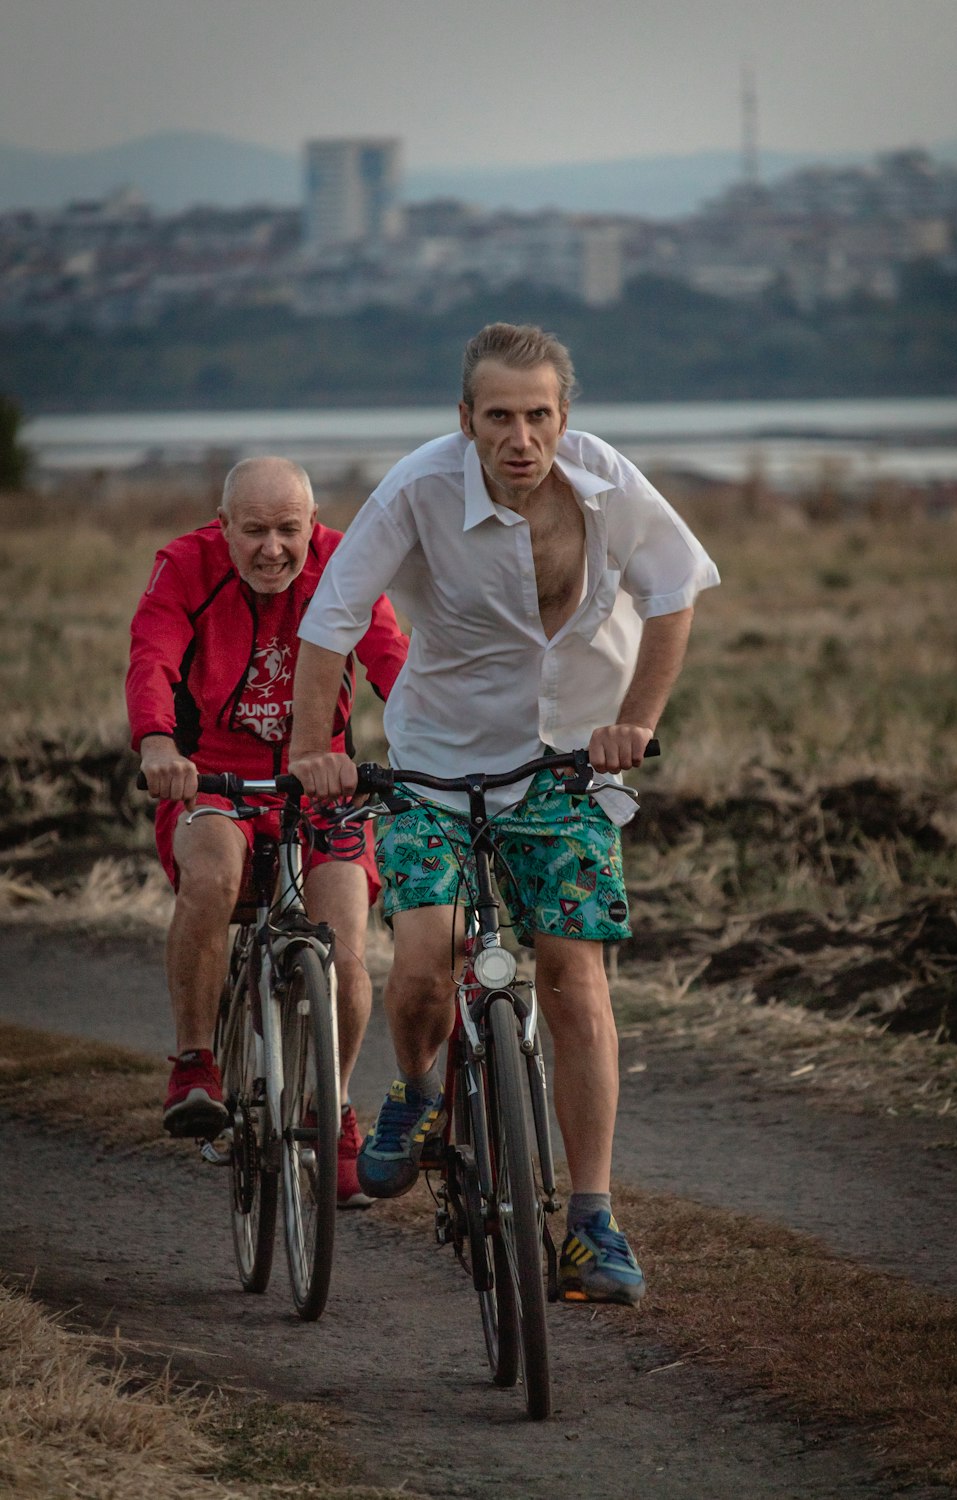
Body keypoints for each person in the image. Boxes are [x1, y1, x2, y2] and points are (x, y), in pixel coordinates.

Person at [289, 323, 720, 1302]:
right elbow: (333, 618)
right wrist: (316, 750)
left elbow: (675, 593)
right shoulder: (418, 489)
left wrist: (634, 722)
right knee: (424, 965)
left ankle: (591, 1223)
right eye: (498, 417)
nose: (519, 436)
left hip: (566, 767)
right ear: (465, 420)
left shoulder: (608, 484)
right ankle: (419, 1091)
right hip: (436, 764)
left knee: (573, 982)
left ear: (564, 419)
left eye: (537, 416)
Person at [126, 455, 408, 1208]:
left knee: (345, 942)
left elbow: (391, 659)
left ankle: (334, 1109)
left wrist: (430, 746)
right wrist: (158, 743)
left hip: (321, 781)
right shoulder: (184, 565)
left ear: (313, 525)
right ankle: (194, 1064)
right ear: (224, 527)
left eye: (289, 529)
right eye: (254, 530)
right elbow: (152, 653)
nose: (272, 548)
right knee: (213, 876)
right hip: (213, 776)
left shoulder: (345, 562)